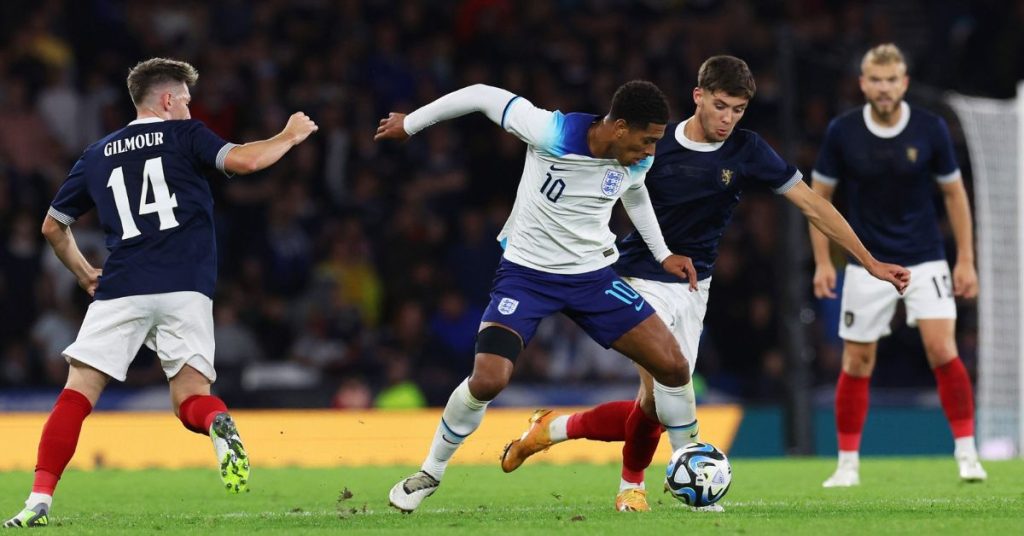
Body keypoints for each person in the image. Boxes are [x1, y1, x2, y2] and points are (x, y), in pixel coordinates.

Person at [498, 55, 911, 512]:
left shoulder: (748, 150)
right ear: (698, 96)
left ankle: (551, 431)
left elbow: (813, 205)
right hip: (637, 274)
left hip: (695, 286)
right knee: (670, 383)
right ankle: (642, 487)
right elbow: (592, 182)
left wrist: (869, 261)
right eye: (720, 106)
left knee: (654, 406)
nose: (728, 119)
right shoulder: (653, 144)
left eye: (738, 110)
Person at [3, 57, 318, 528]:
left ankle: (39, 500)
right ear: (168, 100)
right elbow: (249, 160)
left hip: (123, 286)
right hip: (187, 288)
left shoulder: (97, 153)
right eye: (187, 102)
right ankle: (216, 423)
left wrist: (86, 273)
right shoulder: (184, 136)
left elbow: (52, 226)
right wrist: (290, 134)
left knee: (77, 395)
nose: (191, 111)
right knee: (190, 397)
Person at [375, 80, 704, 514]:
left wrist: (662, 254)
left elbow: (636, 194)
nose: (650, 151)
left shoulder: (634, 161)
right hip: (526, 277)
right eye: (646, 140)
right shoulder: (552, 131)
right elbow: (480, 94)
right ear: (620, 127)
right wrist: (411, 123)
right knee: (489, 379)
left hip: (593, 277)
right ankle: (430, 472)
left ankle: (692, 472)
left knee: (674, 364)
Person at [810, 44, 985, 487]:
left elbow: (954, 194)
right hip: (868, 262)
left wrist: (965, 259)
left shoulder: (930, 128)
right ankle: (847, 464)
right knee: (857, 361)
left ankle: (967, 453)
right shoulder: (843, 131)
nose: (884, 88)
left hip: (926, 257)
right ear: (864, 83)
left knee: (942, 350)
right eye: (876, 80)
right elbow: (817, 200)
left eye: (892, 80)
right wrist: (822, 262)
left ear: (904, 83)